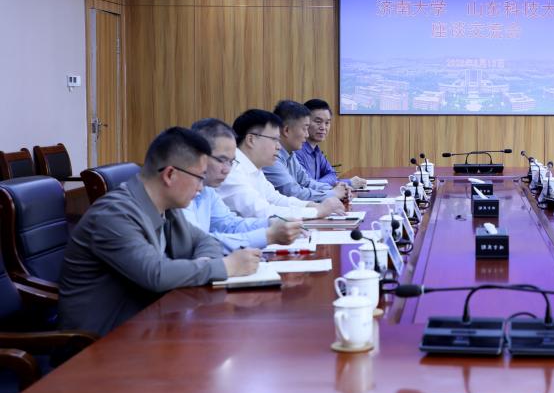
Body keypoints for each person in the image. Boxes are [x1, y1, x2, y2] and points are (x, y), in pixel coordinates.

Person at [59, 127, 260, 336]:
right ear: (170, 174)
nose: (201, 188)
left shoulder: (166, 207)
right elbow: (155, 273)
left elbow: (205, 241)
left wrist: (205, 264)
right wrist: (225, 266)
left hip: (150, 325)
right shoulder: (113, 215)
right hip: (101, 342)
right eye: (200, 178)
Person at [184, 118, 306, 252]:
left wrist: (270, 223)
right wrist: (267, 236)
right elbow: (196, 245)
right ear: (198, 156)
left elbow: (229, 225)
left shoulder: (208, 190)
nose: (227, 170)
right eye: (221, 160)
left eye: (231, 162)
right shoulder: (181, 191)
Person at [217, 109, 343, 220]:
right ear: (251, 140)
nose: (278, 146)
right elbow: (260, 212)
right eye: (274, 140)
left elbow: (276, 199)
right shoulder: (231, 169)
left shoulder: (254, 168)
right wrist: (316, 211)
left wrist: (311, 205)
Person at [263, 100, 352, 201]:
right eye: (305, 129)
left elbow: (307, 182)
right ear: (286, 130)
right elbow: (292, 192)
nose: (307, 134)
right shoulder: (271, 157)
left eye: (327, 122)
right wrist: (333, 193)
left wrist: (334, 188)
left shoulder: (290, 154)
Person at [295, 98, 366, 189]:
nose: (323, 127)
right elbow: (308, 186)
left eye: (327, 123)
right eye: (318, 122)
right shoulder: (297, 151)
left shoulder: (316, 150)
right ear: (304, 122)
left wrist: (320, 184)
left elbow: (332, 174)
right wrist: (347, 182)